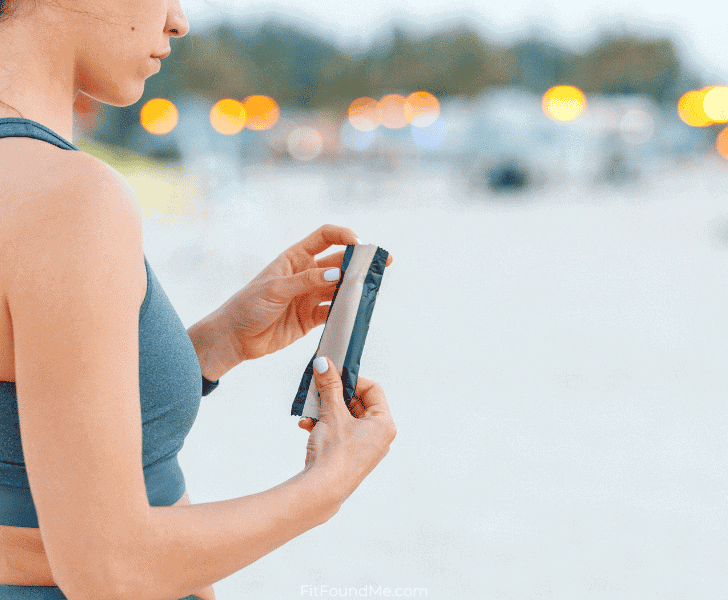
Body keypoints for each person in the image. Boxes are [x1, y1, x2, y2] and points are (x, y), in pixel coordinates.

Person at [0, 0, 397, 598]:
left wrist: (217, 343)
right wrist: (327, 485)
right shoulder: (69, 198)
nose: (178, 20)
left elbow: (31, 432)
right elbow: (109, 567)